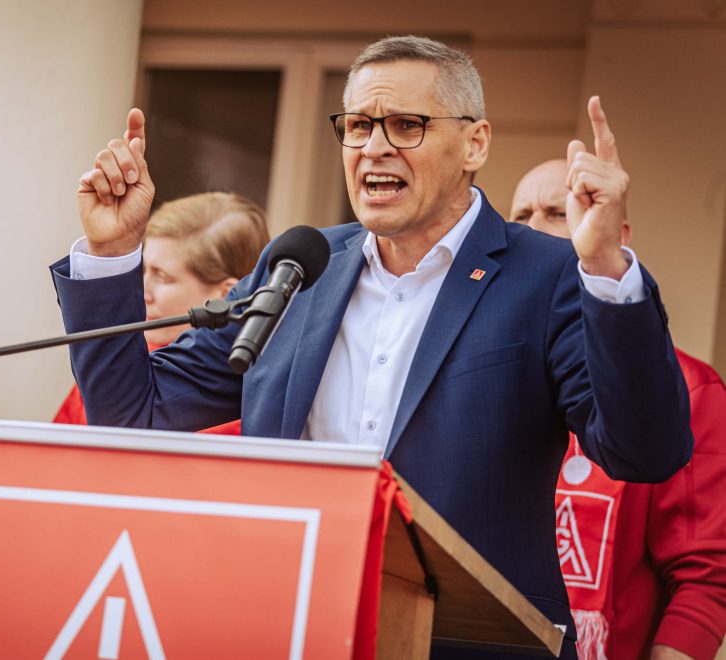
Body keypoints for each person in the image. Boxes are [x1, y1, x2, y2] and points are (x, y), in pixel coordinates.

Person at [51, 36, 692, 657]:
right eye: (357, 126)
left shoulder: (547, 275)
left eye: (406, 125)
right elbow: (136, 412)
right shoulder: (301, 265)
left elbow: (644, 451)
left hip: (469, 642)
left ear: (475, 142)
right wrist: (111, 253)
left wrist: (607, 269)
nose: (374, 148)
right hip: (285, 624)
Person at [511, 159, 726, 660]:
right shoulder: (490, 371)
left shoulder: (690, 389)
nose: (533, 229)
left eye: (557, 211)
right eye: (519, 216)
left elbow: (704, 577)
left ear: (614, 233)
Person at [53, 190, 269, 434]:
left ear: (226, 294)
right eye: (143, 270)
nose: (143, 291)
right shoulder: (114, 370)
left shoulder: (233, 413)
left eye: (163, 277)